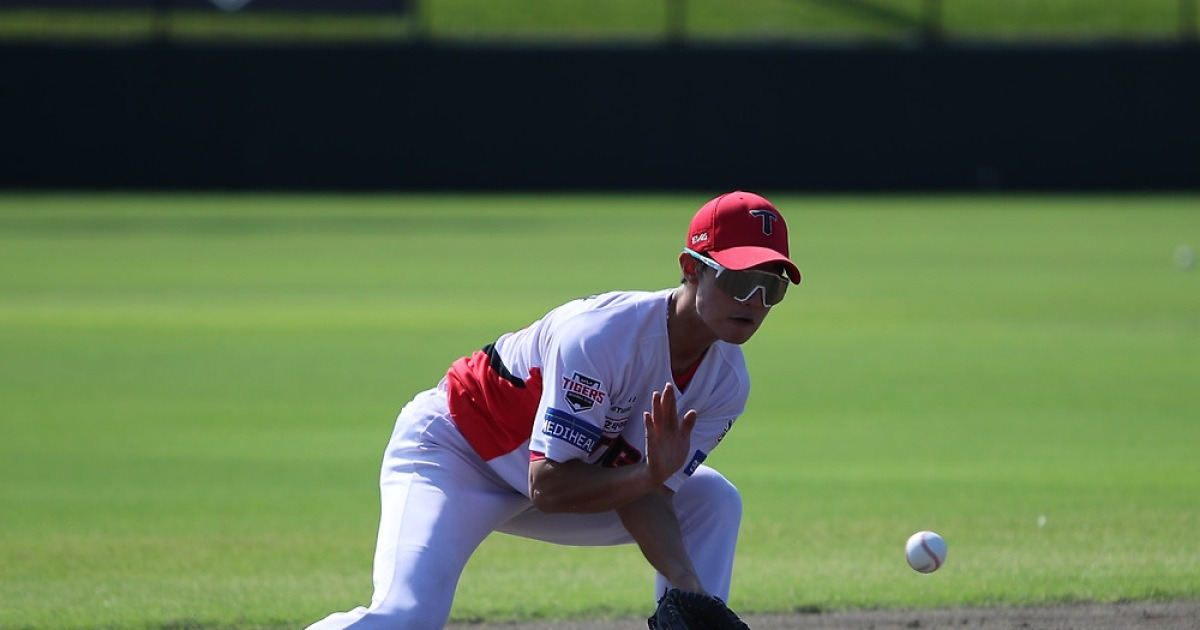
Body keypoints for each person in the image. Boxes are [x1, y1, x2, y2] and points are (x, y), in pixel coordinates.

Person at [306, 191, 802, 630]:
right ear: (692, 268)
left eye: (772, 287)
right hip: (457, 453)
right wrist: (648, 475)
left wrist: (688, 586)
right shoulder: (601, 337)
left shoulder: (726, 383)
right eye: (739, 280)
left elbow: (645, 494)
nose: (754, 301)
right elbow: (549, 486)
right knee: (408, 616)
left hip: (562, 476)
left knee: (711, 499)